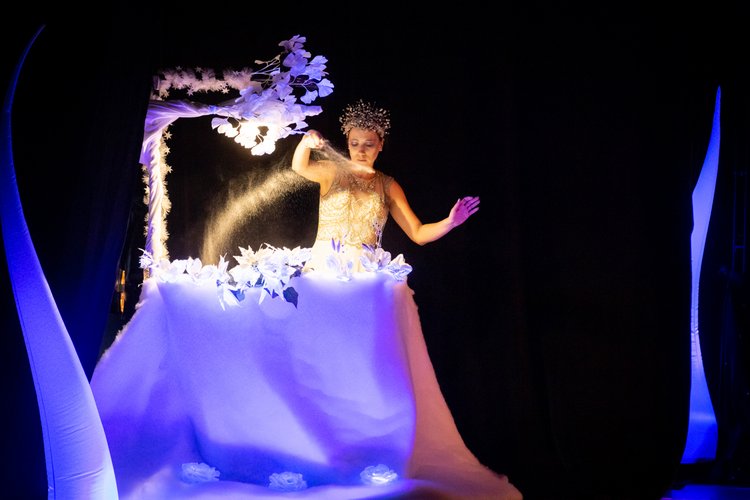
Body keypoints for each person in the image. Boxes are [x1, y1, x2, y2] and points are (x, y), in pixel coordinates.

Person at [291, 99, 480, 271]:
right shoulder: (332, 171)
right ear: (347, 144)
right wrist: (308, 138)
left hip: (365, 273)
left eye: (369, 144)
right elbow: (299, 166)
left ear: (380, 145)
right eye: (355, 143)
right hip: (324, 268)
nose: (361, 151)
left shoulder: (388, 186)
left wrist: (450, 222)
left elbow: (418, 233)